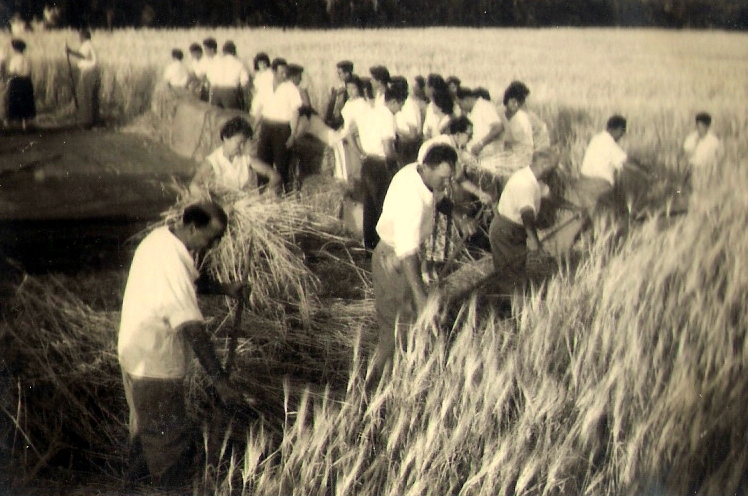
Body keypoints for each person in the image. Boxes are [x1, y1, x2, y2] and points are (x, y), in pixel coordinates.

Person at [118, 201, 246, 488]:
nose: (212, 246)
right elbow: (191, 326)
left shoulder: (163, 241)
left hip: (138, 356)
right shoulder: (170, 259)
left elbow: (191, 282)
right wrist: (219, 378)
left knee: (145, 439)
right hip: (154, 364)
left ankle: (131, 490)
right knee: (169, 447)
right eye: (211, 238)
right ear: (192, 227)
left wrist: (226, 288)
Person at [367, 144, 466, 390]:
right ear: (427, 168)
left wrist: (462, 217)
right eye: (444, 178)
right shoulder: (412, 201)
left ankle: (399, 383)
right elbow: (407, 253)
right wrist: (422, 299)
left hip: (402, 256)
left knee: (407, 326)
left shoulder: (419, 174)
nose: (447, 183)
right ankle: (371, 388)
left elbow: (439, 199)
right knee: (395, 332)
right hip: (393, 261)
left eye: (450, 177)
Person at [488, 148, 559, 293]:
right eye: (554, 166)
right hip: (506, 231)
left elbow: (551, 197)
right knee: (512, 278)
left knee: (516, 273)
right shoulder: (525, 183)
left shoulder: (534, 179)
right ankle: (512, 311)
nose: (554, 170)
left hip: (516, 230)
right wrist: (534, 240)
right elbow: (527, 215)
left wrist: (574, 208)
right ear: (544, 164)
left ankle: (513, 307)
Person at [355, 87, 406, 251]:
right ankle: (384, 249)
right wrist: (400, 163)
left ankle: (369, 248)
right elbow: (388, 149)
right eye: (400, 105)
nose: (400, 109)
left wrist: (361, 153)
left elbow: (351, 133)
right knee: (383, 207)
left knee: (369, 209)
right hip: (381, 166)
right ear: (393, 101)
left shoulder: (370, 113)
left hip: (367, 162)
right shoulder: (388, 117)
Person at [189, 116, 281, 196]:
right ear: (226, 138)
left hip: (244, 203)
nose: (241, 147)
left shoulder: (245, 158)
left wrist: (267, 192)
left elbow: (274, 175)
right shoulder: (213, 160)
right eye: (239, 143)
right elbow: (193, 185)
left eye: (244, 143)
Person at [254, 58, 303, 192]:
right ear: (274, 72)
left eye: (286, 72)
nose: (285, 75)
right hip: (266, 127)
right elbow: (260, 110)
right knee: (262, 163)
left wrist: (293, 134)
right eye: (282, 72)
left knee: (282, 165)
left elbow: (295, 113)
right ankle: (261, 194)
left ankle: (283, 196)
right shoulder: (265, 87)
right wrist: (253, 128)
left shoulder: (291, 88)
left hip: (282, 129)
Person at [65, 29, 99, 128]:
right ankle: (94, 120)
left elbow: (82, 55)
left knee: (85, 96)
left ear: (83, 36)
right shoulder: (90, 45)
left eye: (80, 36)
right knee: (92, 97)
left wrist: (70, 51)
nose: (79, 38)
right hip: (93, 72)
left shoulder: (86, 45)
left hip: (88, 72)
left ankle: (86, 122)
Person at [207, 40, 250, 111]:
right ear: (234, 52)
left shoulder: (216, 62)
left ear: (223, 52)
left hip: (214, 90)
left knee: (215, 116)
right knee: (230, 117)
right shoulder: (239, 63)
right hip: (229, 92)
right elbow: (244, 82)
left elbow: (209, 76)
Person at [390, 76, 423, 164]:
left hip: (408, 147)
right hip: (402, 144)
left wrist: (396, 131)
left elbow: (413, 134)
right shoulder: (400, 102)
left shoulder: (408, 105)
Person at [6, 38, 35, 131]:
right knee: (25, 101)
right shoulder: (28, 59)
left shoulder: (14, 59)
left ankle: (11, 124)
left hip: (17, 81)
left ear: (15, 49)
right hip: (26, 81)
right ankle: (24, 124)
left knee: (15, 101)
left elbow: (12, 72)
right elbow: (29, 72)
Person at [683, 112, 723, 177]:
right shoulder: (691, 138)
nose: (700, 128)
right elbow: (686, 154)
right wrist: (696, 143)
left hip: (707, 170)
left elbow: (718, 157)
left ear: (707, 127)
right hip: (692, 169)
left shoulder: (713, 141)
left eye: (702, 126)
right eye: (698, 125)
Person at [324, 60, 353, 130]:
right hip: (338, 119)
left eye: (340, 73)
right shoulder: (342, 85)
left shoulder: (352, 87)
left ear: (347, 74)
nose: (338, 76)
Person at [194, 38, 218, 102]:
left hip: (216, 88)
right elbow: (202, 74)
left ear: (212, 49)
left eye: (206, 49)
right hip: (207, 88)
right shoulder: (205, 60)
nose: (205, 51)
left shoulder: (219, 60)